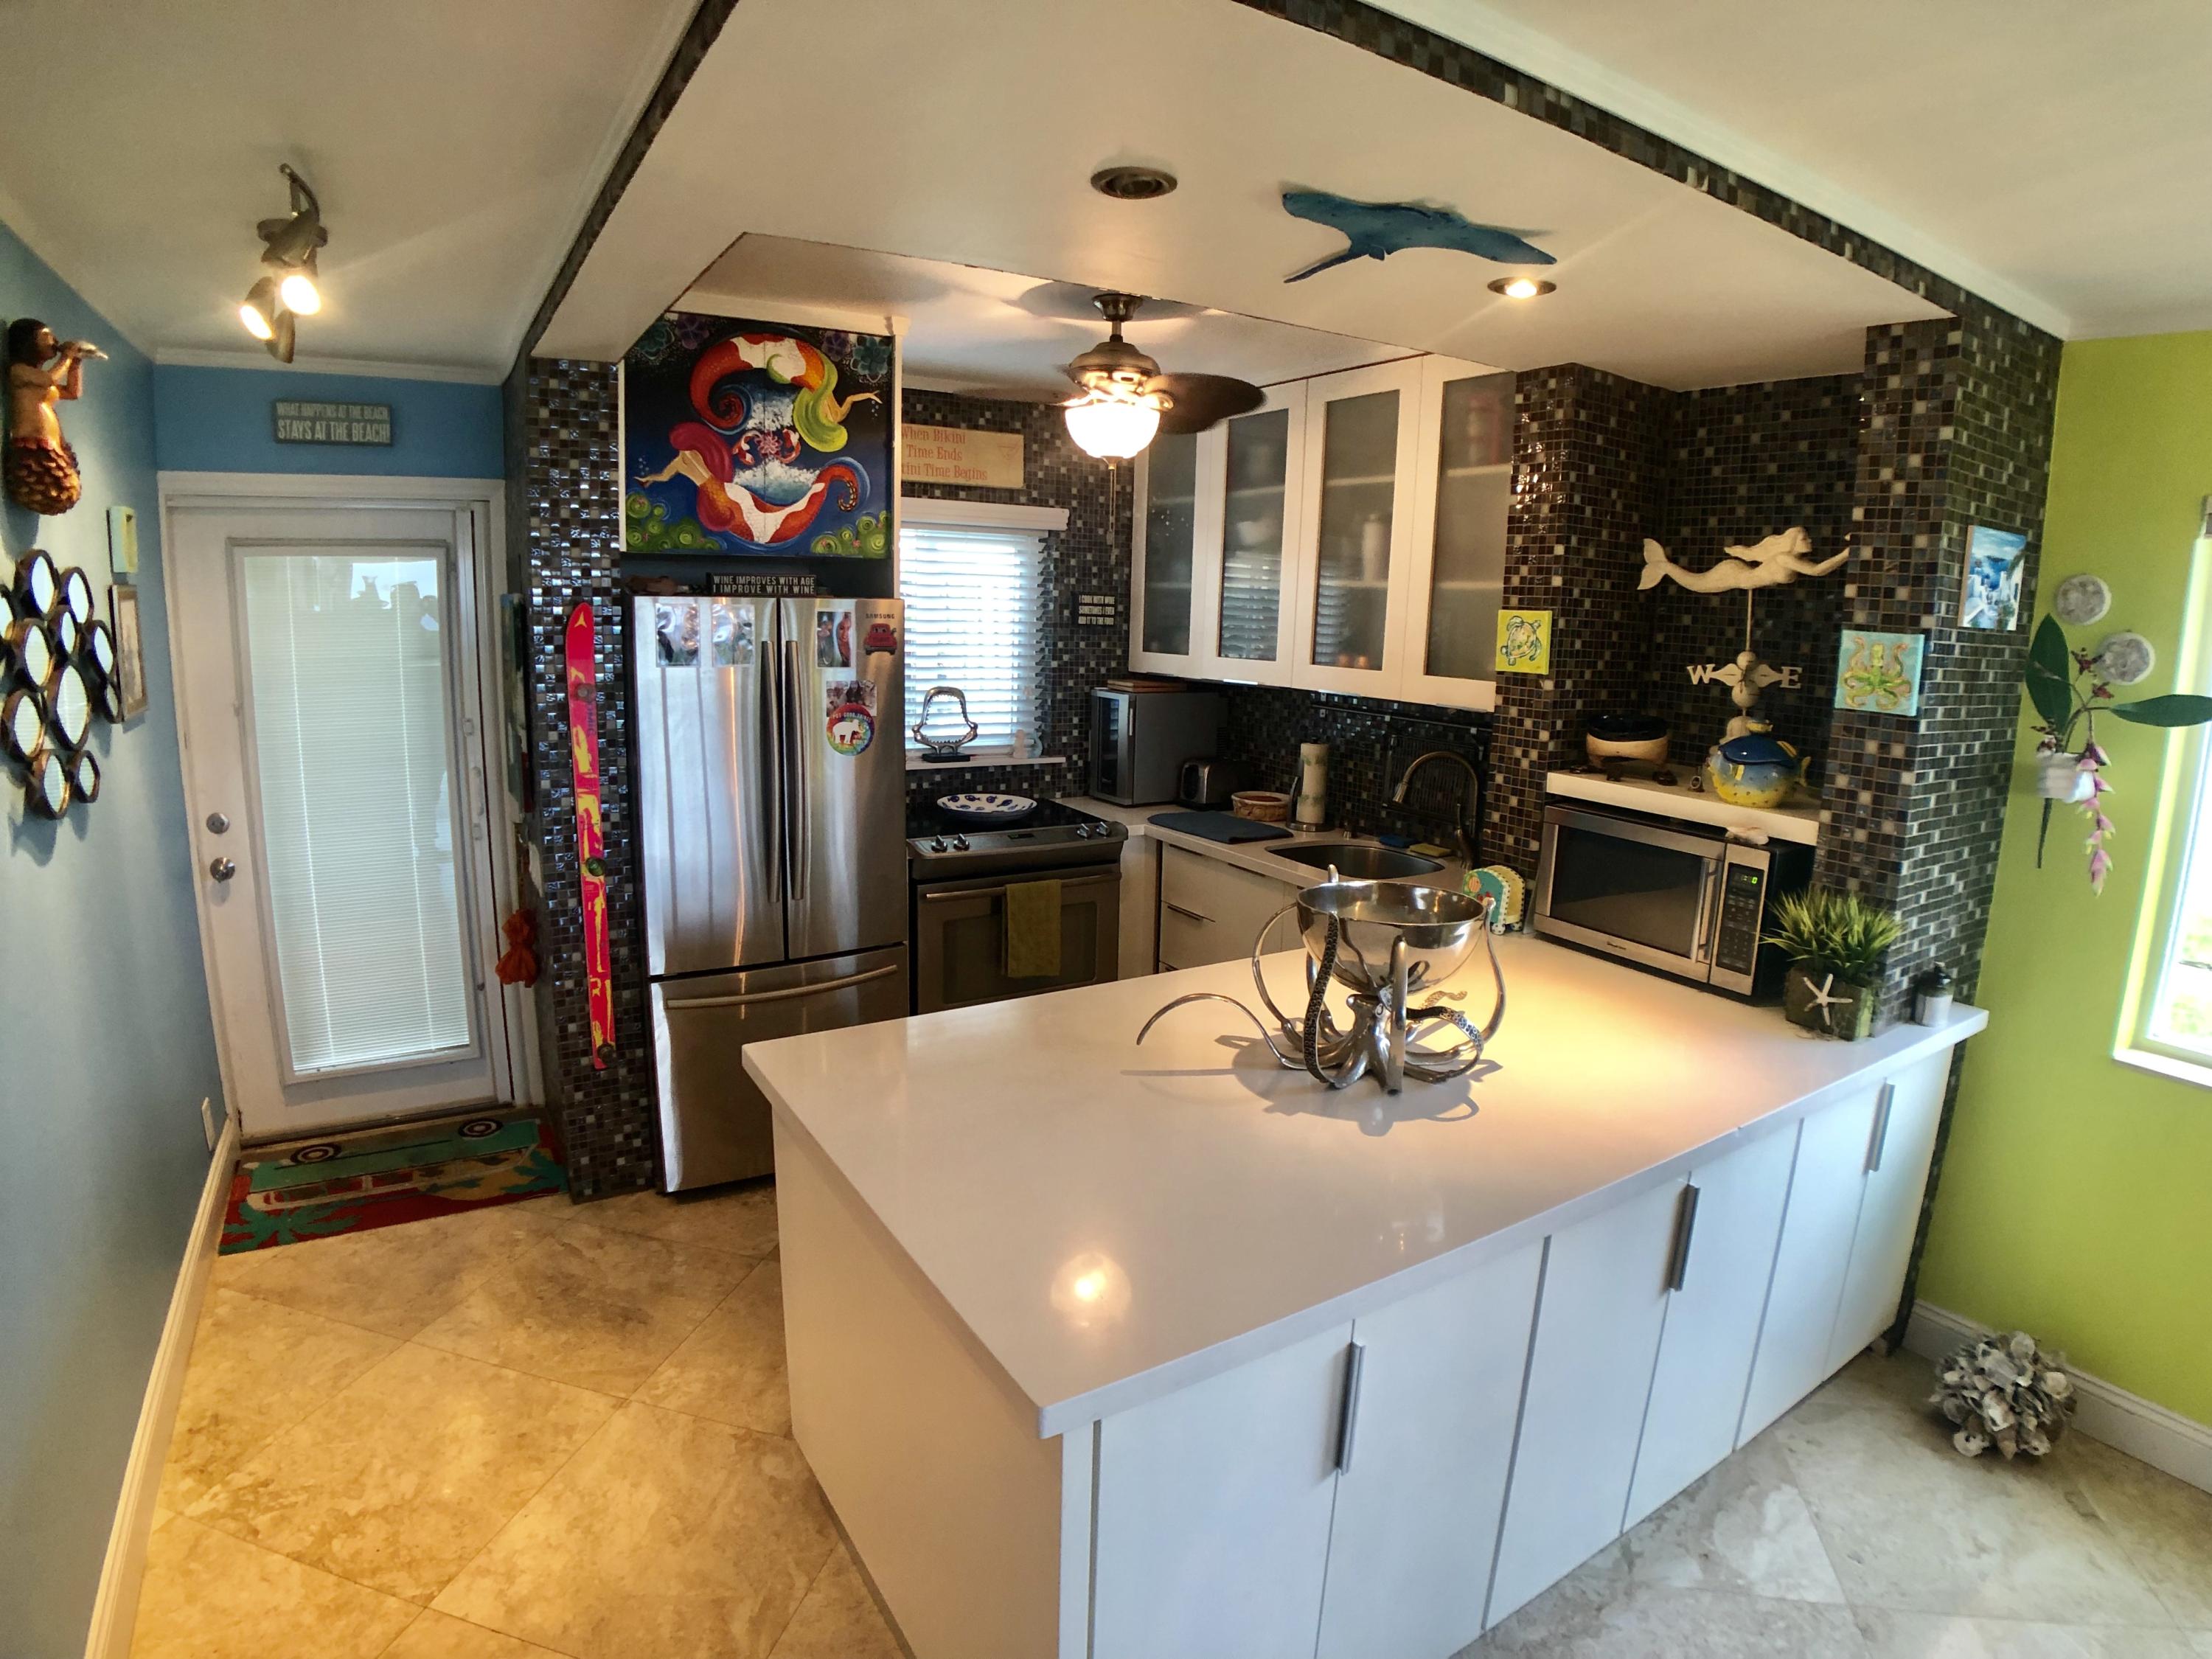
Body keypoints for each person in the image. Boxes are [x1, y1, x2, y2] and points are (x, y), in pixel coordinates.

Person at [6, 318, 103, 515]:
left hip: (51, 447)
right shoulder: (19, 371)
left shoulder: (40, 379)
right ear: (29, 341)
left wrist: (76, 362)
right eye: (47, 336)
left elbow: (72, 392)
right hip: (32, 445)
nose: (54, 340)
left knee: (61, 482)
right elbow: (49, 379)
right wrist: (66, 356)